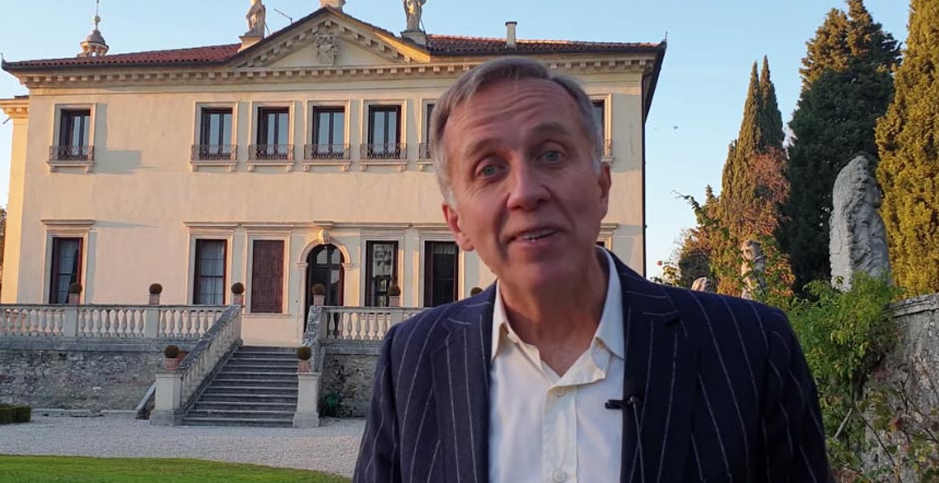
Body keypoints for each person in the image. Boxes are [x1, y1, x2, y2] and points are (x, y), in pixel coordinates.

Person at [354, 57, 830, 482]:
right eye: (489, 169)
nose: (525, 193)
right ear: (457, 223)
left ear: (602, 187)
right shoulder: (411, 361)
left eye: (551, 155)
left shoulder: (750, 349)